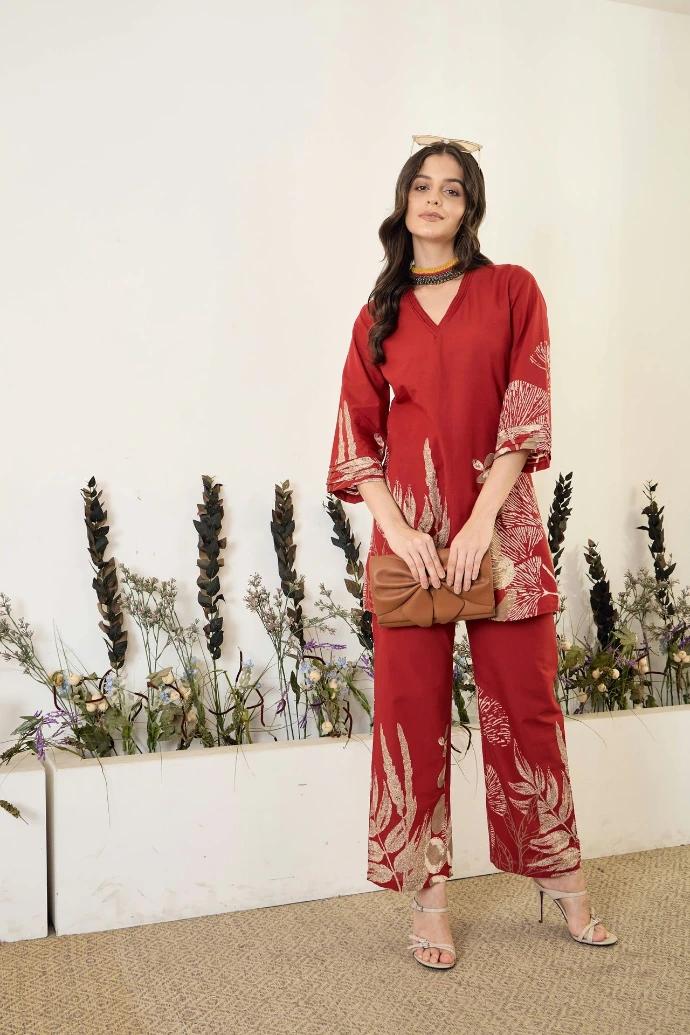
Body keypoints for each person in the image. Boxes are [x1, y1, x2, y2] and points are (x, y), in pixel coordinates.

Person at [326, 137, 618, 969]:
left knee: (527, 707)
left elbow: (527, 406)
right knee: (410, 721)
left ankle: (564, 882)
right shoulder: (377, 309)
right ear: (404, 200)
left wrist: (484, 519)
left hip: (505, 536)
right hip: (411, 547)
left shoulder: (513, 290)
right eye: (422, 186)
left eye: (451, 190)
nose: (434, 200)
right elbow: (356, 437)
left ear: (470, 208)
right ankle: (430, 902)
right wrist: (404, 529)